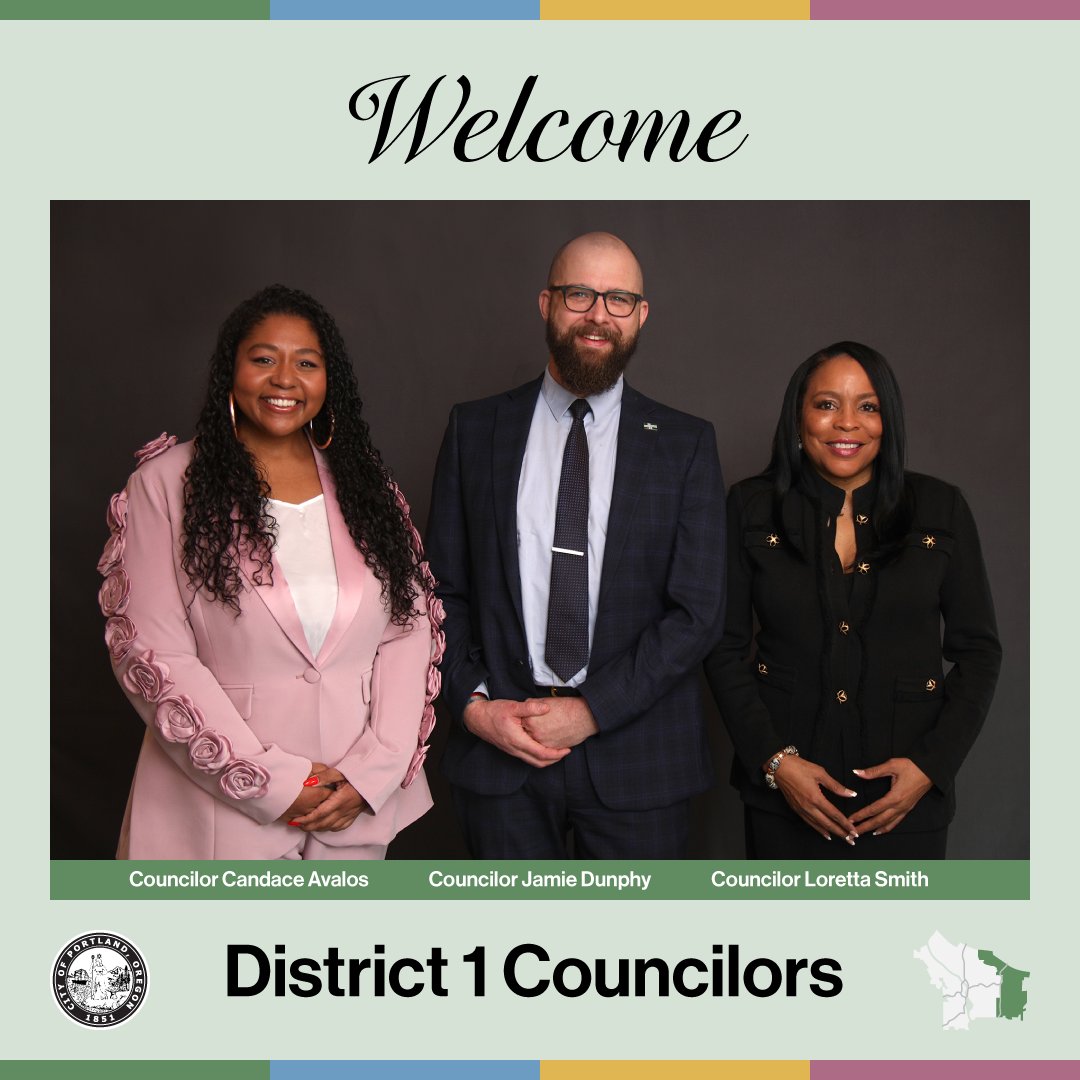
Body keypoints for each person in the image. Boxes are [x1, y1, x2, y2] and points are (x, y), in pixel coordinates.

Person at [98, 285, 442, 859]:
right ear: (230, 371)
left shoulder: (367, 489)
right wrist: (278, 785)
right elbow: (155, 653)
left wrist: (369, 773)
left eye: (306, 363)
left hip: (348, 812)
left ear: (328, 381)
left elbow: (406, 631)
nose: (285, 379)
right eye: (264, 359)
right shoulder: (164, 484)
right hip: (215, 817)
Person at [427, 231, 726, 858]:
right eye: (579, 294)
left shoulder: (685, 444)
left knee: (637, 959)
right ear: (546, 303)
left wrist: (591, 709)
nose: (598, 314)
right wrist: (476, 708)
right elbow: (441, 592)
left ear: (642, 315)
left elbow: (697, 613)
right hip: (501, 760)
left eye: (619, 299)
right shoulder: (475, 430)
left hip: (638, 763)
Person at [704, 342, 1001, 859]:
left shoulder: (940, 507)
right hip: (784, 799)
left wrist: (931, 766)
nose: (847, 424)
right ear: (798, 419)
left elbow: (979, 653)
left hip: (906, 803)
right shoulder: (750, 507)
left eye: (868, 406)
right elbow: (722, 646)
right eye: (825, 405)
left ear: (888, 421)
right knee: (789, 945)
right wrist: (776, 762)